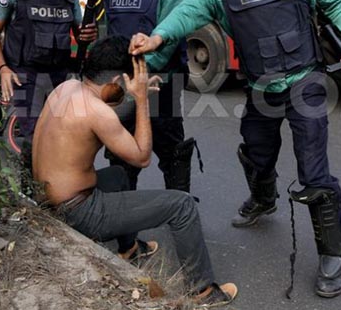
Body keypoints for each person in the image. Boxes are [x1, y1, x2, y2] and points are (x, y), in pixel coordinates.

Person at [129, 0, 341, 298]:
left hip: (305, 81)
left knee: (314, 173)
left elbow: (333, 0)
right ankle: (263, 197)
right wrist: (158, 36)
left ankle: (334, 253)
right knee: (256, 154)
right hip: (261, 87)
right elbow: (186, 12)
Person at [31, 35, 238, 307]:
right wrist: (141, 100)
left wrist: (133, 94)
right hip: (79, 212)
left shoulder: (66, 87)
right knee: (182, 205)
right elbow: (142, 157)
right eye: (126, 84)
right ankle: (203, 292)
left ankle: (129, 249)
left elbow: (105, 112)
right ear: (117, 81)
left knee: (118, 174)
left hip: (49, 201)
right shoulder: (98, 112)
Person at [0, 0, 98, 187]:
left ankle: (62, 189)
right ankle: (31, 191)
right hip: (25, 76)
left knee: (65, 134)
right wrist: (3, 69)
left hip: (60, 76)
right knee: (33, 138)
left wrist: (88, 34)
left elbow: (80, 32)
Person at [104, 0, 196, 193]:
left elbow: (167, 42)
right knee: (120, 157)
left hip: (161, 86)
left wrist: (136, 80)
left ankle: (180, 208)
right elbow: (111, 35)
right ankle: (123, 216)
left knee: (172, 154)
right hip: (123, 86)